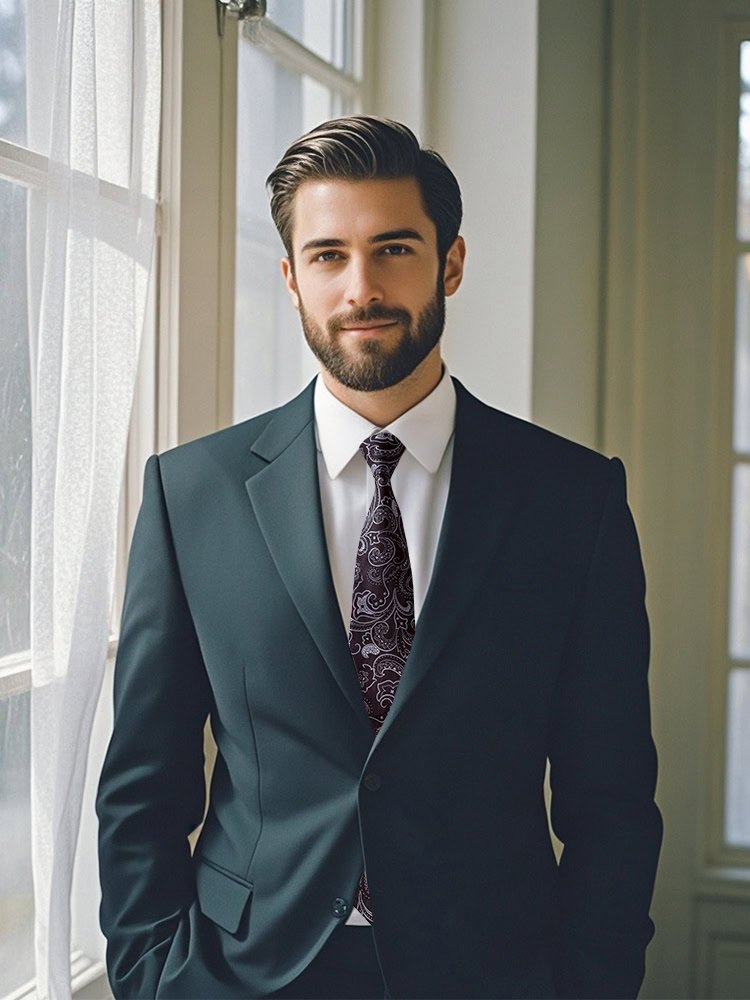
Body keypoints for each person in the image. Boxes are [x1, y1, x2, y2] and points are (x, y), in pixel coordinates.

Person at [96, 115, 662, 1000]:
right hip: (240, 973)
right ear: (290, 279)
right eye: (327, 255)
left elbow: (613, 801)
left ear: (452, 263)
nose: (361, 287)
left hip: (495, 972)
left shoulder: (573, 501)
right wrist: (148, 977)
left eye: (394, 248)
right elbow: (142, 785)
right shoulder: (189, 494)